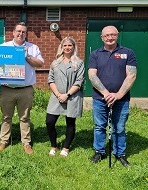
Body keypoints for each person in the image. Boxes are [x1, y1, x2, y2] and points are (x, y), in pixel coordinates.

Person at [88, 25, 137, 167]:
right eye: (106, 35)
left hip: (121, 99)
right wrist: (106, 93)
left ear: (117, 35)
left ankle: (120, 153)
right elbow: (92, 75)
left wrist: (118, 94)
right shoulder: (95, 54)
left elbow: (132, 75)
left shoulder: (127, 53)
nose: (110, 38)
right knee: (99, 126)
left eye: (113, 35)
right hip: (100, 98)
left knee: (120, 127)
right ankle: (99, 151)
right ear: (101, 38)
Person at [0, 22, 44, 155]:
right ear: (13, 32)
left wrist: (27, 56)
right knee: (6, 117)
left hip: (25, 89)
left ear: (26, 34)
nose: (20, 34)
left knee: (25, 117)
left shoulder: (32, 47)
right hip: (7, 89)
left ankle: (26, 143)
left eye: (23, 32)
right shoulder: (3, 47)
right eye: (18, 31)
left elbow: (40, 63)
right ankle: (4, 141)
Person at [46, 37, 85, 157]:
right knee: (49, 122)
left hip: (72, 97)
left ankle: (66, 147)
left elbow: (79, 81)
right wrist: (58, 94)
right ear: (61, 47)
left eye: (70, 45)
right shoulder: (55, 62)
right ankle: (54, 145)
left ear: (74, 47)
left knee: (70, 123)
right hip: (56, 96)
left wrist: (67, 95)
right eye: (65, 45)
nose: (67, 48)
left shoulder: (79, 63)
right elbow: (50, 79)